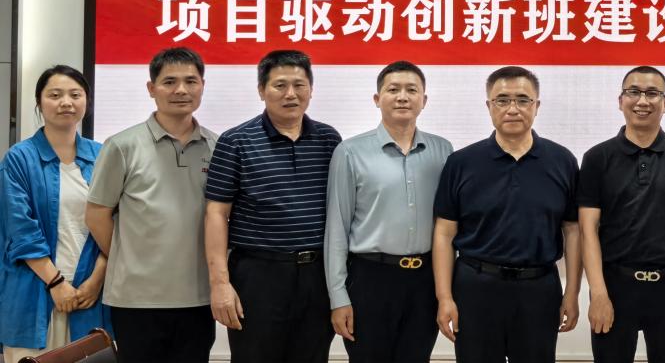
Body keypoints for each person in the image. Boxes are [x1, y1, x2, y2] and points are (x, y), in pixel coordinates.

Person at [432, 66, 581, 363]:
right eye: (502, 100)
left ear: (537, 106)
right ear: (489, 105)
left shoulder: (562, 160)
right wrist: (444, 297)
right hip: (475, 288)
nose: (513, 108)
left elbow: (573, 230)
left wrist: (572, 293)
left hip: (539, 289)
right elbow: (444, 233)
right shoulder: (461, 162)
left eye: (523, 100)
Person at [205, 49, 341, 363]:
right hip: (258, 276)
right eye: (280, 85)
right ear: (261, 90)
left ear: (311, 90)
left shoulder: (328, 139)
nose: (290, 94)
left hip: (316, 276)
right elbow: (216, 214)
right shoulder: (236, 141)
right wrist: (220, 284)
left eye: (299, 85)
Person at [85, 48, 217, 363]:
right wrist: (131, 255)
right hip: (136, 299)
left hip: (199, 297)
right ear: (151, 88)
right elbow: (97, 215)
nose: (181, 90)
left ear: (202, 86)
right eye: (169, 82)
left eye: (191, 81)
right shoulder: (122, 146)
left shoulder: (217, 146)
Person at [578, 66, 665, 363]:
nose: (642, 101)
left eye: (652, 93)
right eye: (633, 92)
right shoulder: (597, 158)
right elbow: (588, 230)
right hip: (614, 284)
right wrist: (598, 294)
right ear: (620, 100)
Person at [324, 60, 453, 363]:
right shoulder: (350, 152)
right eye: (393, 90)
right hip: (370, 279)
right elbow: (337, 229)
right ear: (377, 98)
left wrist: (446, 292)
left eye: (412, 90)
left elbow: (448, 227)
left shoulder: (443, 151)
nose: (402, 97)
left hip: (424, 281)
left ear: (424, 100)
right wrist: (338, 297)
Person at [0, 66, 111, 362]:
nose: (66, 102)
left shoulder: (103, 155)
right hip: (35, 292)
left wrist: (96, 280)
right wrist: (56, 283)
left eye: (75, 95)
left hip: (90, 293)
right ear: (39, 102)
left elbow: (118, 225)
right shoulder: (19, 158)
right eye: (55, 95)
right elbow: (21, 230)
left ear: (86, 101)